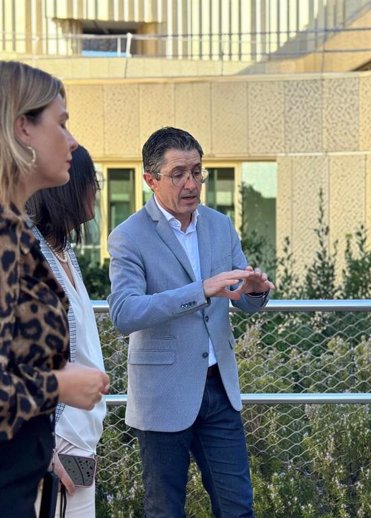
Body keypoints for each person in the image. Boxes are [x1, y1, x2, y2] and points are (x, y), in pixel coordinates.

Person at [107, 127, 274, 518]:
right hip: (162, 395)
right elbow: (124, 313)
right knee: (165, 510)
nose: (191, 183)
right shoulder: (128, 236)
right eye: (179, 173)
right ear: (151, 179)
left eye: (197, 172)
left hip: (219, 389)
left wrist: (253, 290)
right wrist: (200, 290)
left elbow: (244, 304)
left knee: (238, 508)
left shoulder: (219, 225)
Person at [0, 60, 109, 517]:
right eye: (61, 124)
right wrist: (58, 385)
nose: (74, 141)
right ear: (23, 127)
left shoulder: (21, 236)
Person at [26, 145, 107, 518]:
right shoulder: (32, 253)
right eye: (94, 181)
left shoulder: (64, 250)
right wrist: (45, 451)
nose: (98, 190)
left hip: (81, 444)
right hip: (54, 445)